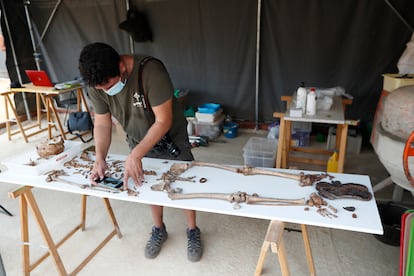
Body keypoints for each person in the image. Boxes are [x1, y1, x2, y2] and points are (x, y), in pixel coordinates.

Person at [78, 42, 202, 262]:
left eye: (110, 85)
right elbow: (103, 124)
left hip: (170, 137)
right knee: (145, 182)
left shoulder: (151, 71)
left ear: (120, 66)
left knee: (184, 183)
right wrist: (100, 158)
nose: (106, 91)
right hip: (136, 137)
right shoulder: (96, 81)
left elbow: (164, 121)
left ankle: (192, 230)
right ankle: (158, 228)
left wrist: (135, 155)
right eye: (101, 89)